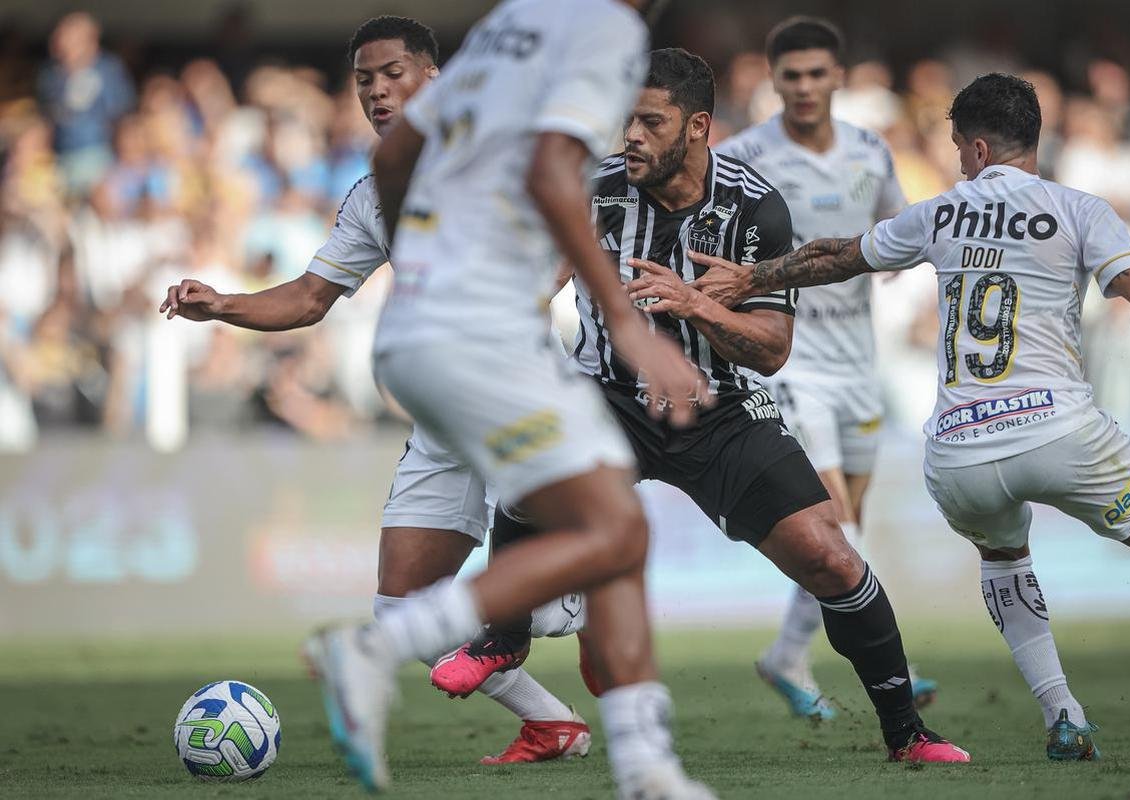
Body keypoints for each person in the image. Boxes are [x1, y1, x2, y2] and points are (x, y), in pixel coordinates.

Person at [436, 47, 971, 766]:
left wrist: (695, 304)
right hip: (609, 397)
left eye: (648, 122)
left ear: (696, 127)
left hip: (719, 411)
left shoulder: (754, 207)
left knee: (831, 558)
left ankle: (908, 734)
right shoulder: (591, 190)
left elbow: (773, 349)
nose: (629, 136)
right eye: (624, 119)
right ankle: (505, 636)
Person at [688, 72, 1130, 762]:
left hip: (959, 451)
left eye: (960, 147)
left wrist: (751, 278)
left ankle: (1064, 715)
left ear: (981, 147)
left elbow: (838, 257)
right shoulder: (1081, 210)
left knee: (1003, 555)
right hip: (1058, 429)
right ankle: (1065, 714)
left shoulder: (941, 212)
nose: (959, 160)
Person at [303, 2, 716, 796]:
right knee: (616, 528)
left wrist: (422, 260)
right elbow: (548, 171)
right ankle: (378, 647)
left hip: (423, 323)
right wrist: (630, 330)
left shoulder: (510, 24)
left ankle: (645, 766)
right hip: (481, 326)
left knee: (615, 530)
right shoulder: (605, 31)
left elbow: (397, 160)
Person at [160, 15, 591, 767]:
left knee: (539, 589)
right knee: (400, 605)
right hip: (439, 413)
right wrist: (222, 304)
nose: (378, 91)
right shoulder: (374, 192)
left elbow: (565, 236)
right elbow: (308, 297)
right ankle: (554, 724)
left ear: (435, 78)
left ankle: (565, 593)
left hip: (518, 393)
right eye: (365, 80)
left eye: (394, 74)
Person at [715, 15, 936, 722]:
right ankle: (880, 663)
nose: (806, 87)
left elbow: (894, 236)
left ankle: (786, 652)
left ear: (838, 77)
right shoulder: (746, 155)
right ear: (772, 79)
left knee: (853, 524)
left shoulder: (872, 152)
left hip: (858, 365)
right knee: (835, 519)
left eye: (818, 74)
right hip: (787, 362)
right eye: (792, 75)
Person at [36, 12, 135, 195]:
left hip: (99, 156)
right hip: (60, 158)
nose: (62, 41)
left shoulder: (108, 70)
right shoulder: (51, 75)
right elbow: (46, 119)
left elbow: (121, 116)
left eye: (69, 36)